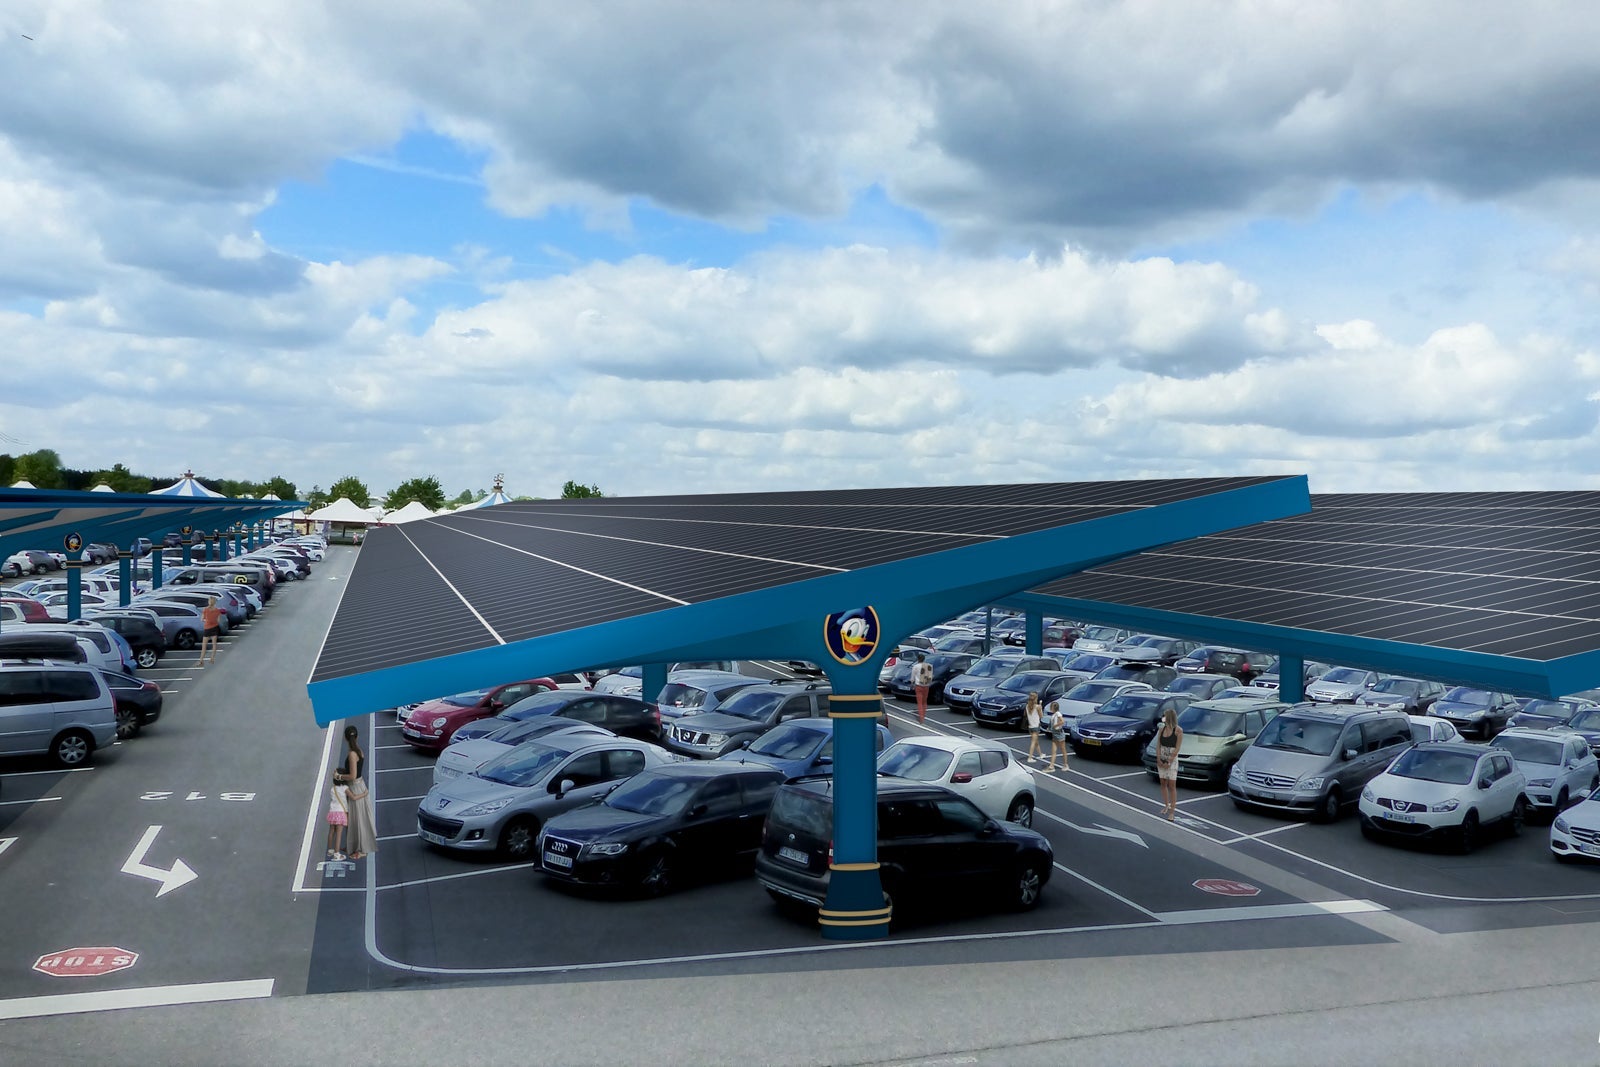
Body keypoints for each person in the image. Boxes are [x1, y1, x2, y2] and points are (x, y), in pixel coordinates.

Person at [332, 725, 377, 860]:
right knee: (353, 818)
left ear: (346, 738)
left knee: (358, 819)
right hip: (359, 785)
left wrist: (338, 777)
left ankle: (362, 849)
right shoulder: (359, 751)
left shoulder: (352, 754)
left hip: (354, 786)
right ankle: (352, 846)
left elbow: (352, 775)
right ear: (356, 737)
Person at [1156, 705, 1184, 820]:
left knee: (1172, 784)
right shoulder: (1161, 729)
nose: (1163, 718)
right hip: (1162, 755)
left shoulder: (1178, 730)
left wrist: (1169, 761)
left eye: (1165, 717)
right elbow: (1158, 744)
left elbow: (1177, 748)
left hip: (1171, 757)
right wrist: (1158, 758)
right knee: (1163, 782)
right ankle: (1166, 805)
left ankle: (1172, 811)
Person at [325, 779, 349, 861]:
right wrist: (363, 794)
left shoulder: (333, 788)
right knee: (339, 834)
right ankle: (337, 854)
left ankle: (330, 850)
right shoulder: (345, 788)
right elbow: (352, 796)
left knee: (331, 832)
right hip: (341, 812)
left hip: (332, 811)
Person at [1045, 699, 1068, 772]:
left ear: (1053, 708)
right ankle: (1051, 766)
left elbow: (1062, 721)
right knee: (1053, 751)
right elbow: (1051, 722)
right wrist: (1049, 728)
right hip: (1054, 734)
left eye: (1051, 707)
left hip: (1059, 734)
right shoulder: (1054, 715)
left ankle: (1065, 764)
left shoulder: (1058, 714)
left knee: (1063, 749)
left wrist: (1056, 725)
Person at [198, 596, 221, 664]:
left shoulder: (205, 610)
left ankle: (201, 660)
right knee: (214, 644)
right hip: (215, 628)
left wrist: (206, 620)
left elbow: (202, 619)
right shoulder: (217, 610)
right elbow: (218, 621)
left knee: (204, 645)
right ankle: (212, 658)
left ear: (209, 602)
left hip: (207, 628)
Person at [911, 657, 933, 723]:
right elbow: (930, 676)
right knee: (924, 702)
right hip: (926, 686)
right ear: (924, 659)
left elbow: (912, 678)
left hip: (918, 686)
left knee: (919, 702)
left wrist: (912, 684)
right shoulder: (929, 666)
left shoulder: (915, 667)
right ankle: (923, 714)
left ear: (918, 659)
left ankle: (921, 718)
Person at [1024, 691, 1044, 763]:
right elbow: (1041, 716)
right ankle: (1030, 758)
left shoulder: (1027, 706)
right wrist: (1041, 706)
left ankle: (1041, 754)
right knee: (1033, 742)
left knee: (1036, 741)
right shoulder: (1038, 707)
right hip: (1036, 726)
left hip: (1030, 726)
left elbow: (1026, 715)